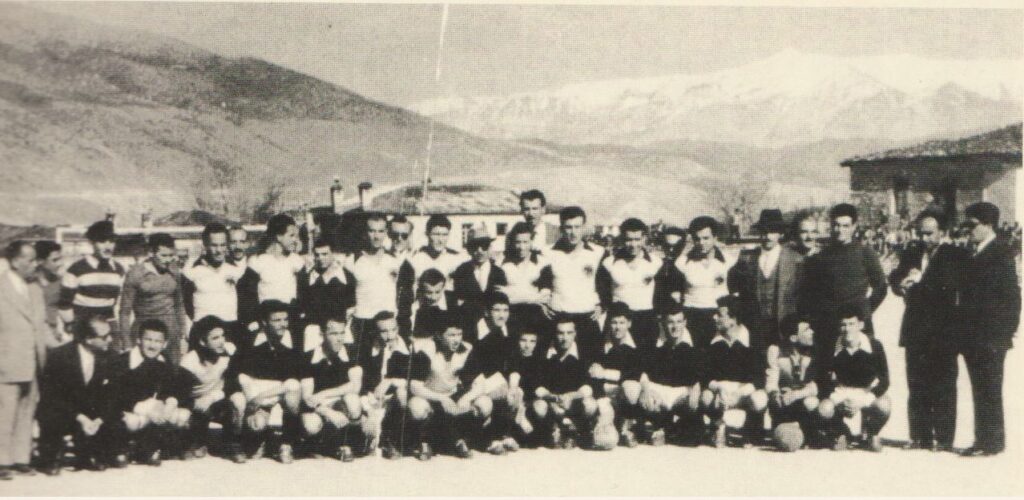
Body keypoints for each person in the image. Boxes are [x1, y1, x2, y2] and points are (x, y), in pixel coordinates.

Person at [889, 210, 966, 452]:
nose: (924, 238)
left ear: (942, 232)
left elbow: (948, 286)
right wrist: (901, 283)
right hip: (915, 329)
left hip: (943, 331)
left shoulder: (955, 254)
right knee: (917, 383)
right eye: (921, 233)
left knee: (943, 385)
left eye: (930, 233)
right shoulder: (912, 252)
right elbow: (895, 276)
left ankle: (943, 438)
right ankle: (919, 436)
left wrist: (919, 281)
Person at [957, 202, 1021, 457]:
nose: (967, 230)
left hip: (991, 338)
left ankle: (992, 442)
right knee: (980, 388)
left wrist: (1003, 334)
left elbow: (1012, 298)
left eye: (972, 225)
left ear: (988, 225)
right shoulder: (973, 252)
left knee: (990, 389)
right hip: (973, 336)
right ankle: (983, 439)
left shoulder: (1000, 253)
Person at [801, 203, 887, 372]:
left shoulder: (865, 253)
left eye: (845, 226)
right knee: (828, 373)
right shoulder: (822, 256)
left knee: (860, 372)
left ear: (854, 226)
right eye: (836, 225)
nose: (840, 230)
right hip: (829, 325)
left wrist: (864, 311)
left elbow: (881, 287)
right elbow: (812, 291)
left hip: (856, 325)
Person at [228, 300, 307, 464]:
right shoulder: (249, 341)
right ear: (264, 322)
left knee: (293, 388)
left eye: (285, 319)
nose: (283, 324)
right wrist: (254, 399)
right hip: (256, 391)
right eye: (276, 320)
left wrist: (262, 397)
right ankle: (257, 440)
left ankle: (286, 443)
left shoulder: (294, 341)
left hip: (280, 391)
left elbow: (294, 379)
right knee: (257, 425)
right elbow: (236, 374)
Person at [104, 319, 191, 467]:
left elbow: (173, 387)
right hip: (126, 409)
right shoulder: (123, 362)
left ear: (164, 344)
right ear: (138, 340)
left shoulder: (164, 361)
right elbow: (116, 395)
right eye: (148, 339)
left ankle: (148, 448)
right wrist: (146, 410)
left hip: (151, 411)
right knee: (126, 420)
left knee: (178, 415)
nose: (152, 345)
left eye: (158, 341)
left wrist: (169, 403)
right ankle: (121, 448)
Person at [36, 316, 116, 475]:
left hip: (91, 412)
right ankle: (50, 457)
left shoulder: (110, 356)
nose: (110, 339)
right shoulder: (60, 356)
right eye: (104, 337)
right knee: (51, 414)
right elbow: (52, 396)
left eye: (110, 334)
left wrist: (99, 419)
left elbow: (112, 394)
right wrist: (80, 418)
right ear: (88, 339)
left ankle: (92, 454)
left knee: (115, 414)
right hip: (65, 410)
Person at [0, 241, 48, 480]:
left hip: (33, 359)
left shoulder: (35, 288)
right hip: (6, 361)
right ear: (15, 261)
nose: (35, 264)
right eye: (30, 260)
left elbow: (41, 325)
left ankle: (21, 459)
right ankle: (2, 461)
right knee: (4, 413)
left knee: (26, 412)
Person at [728, 209, 804, 355]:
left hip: (784, 325)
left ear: (781, 234)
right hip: (755, 326)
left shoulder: (796, 259)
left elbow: (802, 294)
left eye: (773, 231)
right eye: (764, 231)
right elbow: (732, 282)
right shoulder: (747, 258)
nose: (768, 236)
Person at [817, 305, 891, 452]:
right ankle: (841, 432)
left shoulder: (875, 346)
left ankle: (871, 432)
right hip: (842, 391)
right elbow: (823, 379)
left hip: (865, 392)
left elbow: (885, 381)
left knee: (884, 405)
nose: (847, 329)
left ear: (860, 325)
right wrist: (838, 401)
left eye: (851, 324)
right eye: (843, 325)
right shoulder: (832, 346)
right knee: (823, 409)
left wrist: (863, 401)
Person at [407, 319, 484, 460]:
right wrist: (441, 398)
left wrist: (465, 398)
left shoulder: (466, 349)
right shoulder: (428, 349)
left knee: (484, 404)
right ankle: (425, 441)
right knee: (417, 408)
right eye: (451, 335)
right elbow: (414, 386)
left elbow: (480, 383)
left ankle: (465, 440)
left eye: (459, 334)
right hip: (429, 396)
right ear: (439, 335)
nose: (457, 340)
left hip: (452, 395)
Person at [343, 212, 415, 361]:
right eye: (372, 231)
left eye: (381, 231)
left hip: (388, 325)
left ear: (386, 232)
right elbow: (346, 297)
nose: (376, 236)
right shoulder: (352, 260)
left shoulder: (395, 260)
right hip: (363, 325)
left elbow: (404, 298)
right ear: (365, 232)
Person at [701, 295, 768, 448]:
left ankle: (751, 430)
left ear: (733, 320)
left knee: (759, 399)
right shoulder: (711, 341)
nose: (715, 317)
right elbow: (704, 375)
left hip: (744, 392)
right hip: (721, 393)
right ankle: (718, 427)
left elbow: (759, 378)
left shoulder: (753, 340)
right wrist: (718, 387)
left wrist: (740, 393)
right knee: (706, 397)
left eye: (720, 314)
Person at [178, 316, 245, 463]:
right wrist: (196, 404)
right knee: (183, 420)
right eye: (215, 338)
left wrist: (213, 397)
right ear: (202, 342)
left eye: (223, 336)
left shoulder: (227, 354)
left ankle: (232, 442)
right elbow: (180, 394)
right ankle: (195, 441)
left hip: (215, 400)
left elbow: (233, 386)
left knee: (237, 401)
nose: (222, 341)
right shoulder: (190, 361)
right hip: (194, 403)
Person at [543, 206, 606, 363]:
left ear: (584, 227)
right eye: (568, 227)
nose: (573, 232)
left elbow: (605, 284)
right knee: (558, 367)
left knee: (592, 365)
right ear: (561, 229)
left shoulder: (598, 252)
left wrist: (602, 305)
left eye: (577, 227)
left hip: (587, 319)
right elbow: (542, 283)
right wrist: (542, 303)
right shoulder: (547, 253)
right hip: (559, 319)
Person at [300, 314, 365, 462]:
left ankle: (346, 443)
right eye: (334, 334)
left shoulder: (351, 353)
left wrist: (324, 393)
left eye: (342, 333)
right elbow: (307, 398)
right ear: (322, 335)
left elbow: (355, 386)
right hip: (319, 407)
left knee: (353, 400)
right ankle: (319, 445)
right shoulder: (309, 357)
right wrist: (328, 412)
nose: (339, 338)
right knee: (311, 425)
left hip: (340, 403)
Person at [461, 292, 520, 454]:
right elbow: (468, 367)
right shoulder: (472, 331)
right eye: (497, 310)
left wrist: (513, 387)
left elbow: (514, 364)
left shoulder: (509, 331)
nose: (502, 315)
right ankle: (485, 439)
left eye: (505, 310)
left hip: (494, 382)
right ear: (487, 312)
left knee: (515, 392)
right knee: (490, 398)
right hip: (471, 380)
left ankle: (502, 435)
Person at [639, 304, 703, 447]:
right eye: (670, 322)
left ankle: (669, 429)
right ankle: (659, 426)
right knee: (645, 399)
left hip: (681, 394)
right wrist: (647, 391)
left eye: (679, 322)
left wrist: (695, 390)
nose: (675, 327)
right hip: (660, 393)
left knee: (693, 438)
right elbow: (643, 373)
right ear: (663, 323)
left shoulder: (692, 347)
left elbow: (698, 376)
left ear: (685, 323)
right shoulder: (654, 345)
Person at [596, 219, 662, 358]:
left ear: (644, 238)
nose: (633, 244)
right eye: (629, 240)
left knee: (646, 360)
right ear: (622, 239)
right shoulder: (609, 263)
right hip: (619, 319)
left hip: (646, 319)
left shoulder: (656, 262)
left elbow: (662, 292)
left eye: (637, 239)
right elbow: (601, 292)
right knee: (615, 358)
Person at [119, 233, 188, 365]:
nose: (168, 260)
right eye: (164, 255)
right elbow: (125, 312)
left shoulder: (174, 271)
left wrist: (183, 336)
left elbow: (179, 305)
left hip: (170, 332)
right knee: (142, 371)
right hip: (144, 330)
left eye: (171, 255)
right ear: (151, 253)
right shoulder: (136, 273)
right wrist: (126, 343)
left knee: (171, 371)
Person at [58, 220, 127, 350]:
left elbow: (116, 303)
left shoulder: (118, 269)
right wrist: (72, 325)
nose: (108, 246)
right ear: (92, 243)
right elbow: (64, 303)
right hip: (84, 328)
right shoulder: (76, 269)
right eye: (102, 241)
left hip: (108, 327)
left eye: (111, 241)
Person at [532, 317, 595, 450]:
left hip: (574, 402)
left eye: (569, 333)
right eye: (560, 333)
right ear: (555, 334)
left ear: (575, 334)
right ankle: (552, 431)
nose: (564, 338)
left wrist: (571, 396)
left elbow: (589, 384)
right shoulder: (545, 353)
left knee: (590, 404)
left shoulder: (584, 353)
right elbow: (537, 384)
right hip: (552, 402)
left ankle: (578, 431)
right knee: (539, 407)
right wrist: (552, 397)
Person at [360, 311, 415, 459]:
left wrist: (390, 381)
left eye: (393, 330)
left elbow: (413, 379)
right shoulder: (366, 349)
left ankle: (391, 440)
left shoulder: (408, 348)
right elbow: (361, 384)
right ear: (375, 332)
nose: (390, 336)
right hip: (371, 401)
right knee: (368, 430)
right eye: (384, 331)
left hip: (392, 401)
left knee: (402, 393)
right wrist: (368, 409)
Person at [587, 302, 643, 448]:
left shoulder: (637, 343)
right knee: (606, 442)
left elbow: (635, 373)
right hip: (605, 397)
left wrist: (605, 373)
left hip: (624, 396)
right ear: (608, 323)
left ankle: (627, 425)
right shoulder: (599, 343)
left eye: (622, 323)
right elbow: (593, 376)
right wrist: (602, 403)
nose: (617, 327)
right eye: (614, 322)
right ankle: (603, 425)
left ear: (629, 323)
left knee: (632, 387)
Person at [675, 216, 736, 348]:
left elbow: (736, 292)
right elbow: (675, 292)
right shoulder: (682, 262)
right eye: (697, 239)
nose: (701, 242)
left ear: (715, 237)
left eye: (706, 238)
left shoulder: (729, 261)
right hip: (692, 316)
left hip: (719, 316)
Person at [182, 223, 246, 344]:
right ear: (205, 245)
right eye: (214, 245)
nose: (219, 250)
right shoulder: (192, 271)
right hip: (202, 330)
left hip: (230, 329)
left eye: (223, 245)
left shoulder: (235, 269)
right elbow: (184, 306)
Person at [765, 317, 821, 451]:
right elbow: (771, 379)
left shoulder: (814, 352)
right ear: (794, 338)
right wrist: (775, 394)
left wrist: (796, 394)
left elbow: (815, 385)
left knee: (811, 402)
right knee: (785, 436)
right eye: (807, 329)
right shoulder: (776, 350)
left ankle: (809, 434)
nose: (812, 332)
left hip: (802, 399)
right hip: (783, 401)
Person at [497, 222, 552, 348]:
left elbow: (545, 296)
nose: (521, 247)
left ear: (532, 241)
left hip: (536, 317)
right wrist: (533, 297)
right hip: (511, 318)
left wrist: (512, 294)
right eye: (518, 242)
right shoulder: (502, 262)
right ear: (512, 242)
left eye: (525, 242)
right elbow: (500, 294)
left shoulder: (543, 262)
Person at [297, 238, 352, 353]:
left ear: (333, 254)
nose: (320, 258)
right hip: (315, 331)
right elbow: (303, 305)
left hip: (339, 330)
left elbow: (351, 305)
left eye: (325, 254)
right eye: (317, 255)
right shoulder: (308, 277)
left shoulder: (346, 276)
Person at [451, 224, 507, 332]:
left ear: (490, 248)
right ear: (468, 250)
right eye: (475, 246)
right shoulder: (462, 271)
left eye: (484, 246)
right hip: (469, 326)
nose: (480, 250)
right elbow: (459, 301)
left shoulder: (498, 273)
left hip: (493, 328)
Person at [248, 214, 305, 308]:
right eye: (291, 235)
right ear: (278, 236)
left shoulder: (297, 261)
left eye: (296, 236)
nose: (295, 240)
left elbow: (303, 295)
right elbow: (249, 297)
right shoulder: (257, 261)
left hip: (290, 313)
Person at [506, 329, 546, 448]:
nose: (527, 345)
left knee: (540, 406)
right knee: (516, 388)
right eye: (523, 340)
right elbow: (512, 377)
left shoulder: (540, 361)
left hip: (531, 400)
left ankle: (534, 436)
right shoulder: (512, 359)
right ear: (518, 341)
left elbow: (539, 386)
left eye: (532, 341)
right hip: (514, 400)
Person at [407, 215, 465, 290]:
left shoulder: (457, 260)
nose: (440, 240)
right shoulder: (415, 258)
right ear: (427, 234)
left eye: (444, 235)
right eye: (436, 234)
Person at [229, 226, 261, 328]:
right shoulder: (222, 267)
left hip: (252, 324)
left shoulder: (255, 266)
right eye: (233, 242)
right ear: (227, 244)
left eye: (242, 242)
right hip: (229, 322)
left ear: (247, 244)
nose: (237, 246)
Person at [34, 240, 65, 346]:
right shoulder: (28, 282)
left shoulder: (61, 282)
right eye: (55, 260)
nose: (60, 264)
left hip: (54, 334)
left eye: (60, 259)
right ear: (40, 261)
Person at [653, 226, 687, 317]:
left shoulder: (689, 265)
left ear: (683, 246)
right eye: (667, 246)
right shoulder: (657, 265)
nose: (671, 250)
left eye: (676, 246)